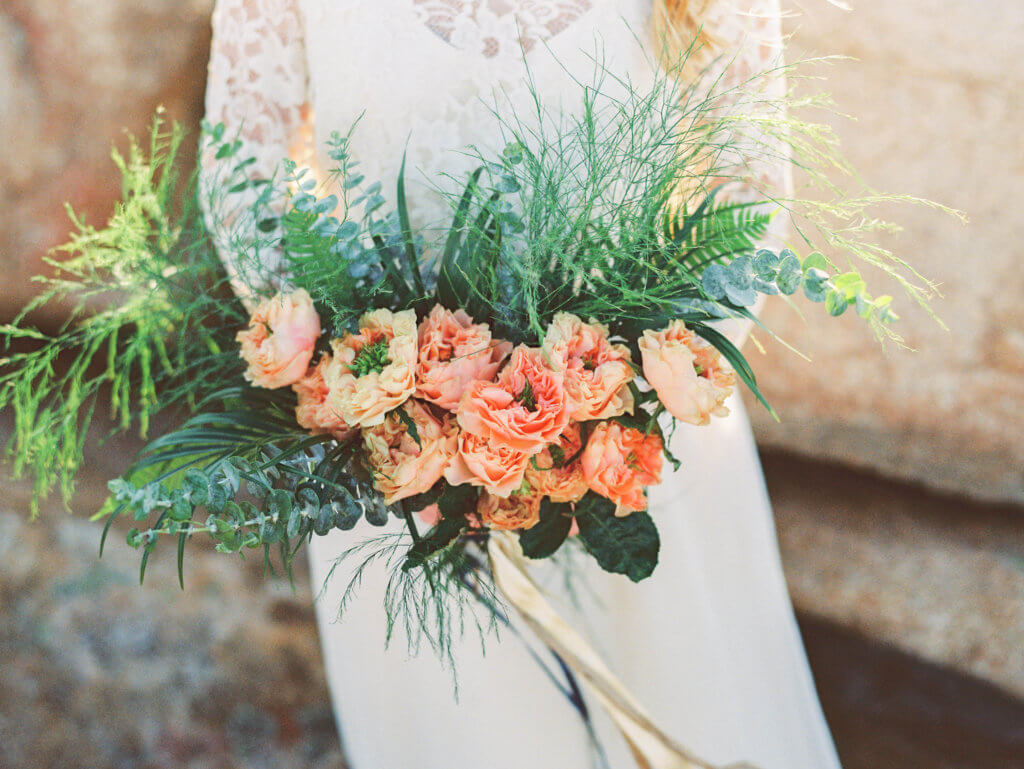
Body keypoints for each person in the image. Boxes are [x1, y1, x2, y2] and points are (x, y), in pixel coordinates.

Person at [201, 2, 843, 767]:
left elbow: (750, 179)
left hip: (634, 462)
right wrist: (392, 404)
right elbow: (242, 178)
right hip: (405, 484)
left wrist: (606, 406)